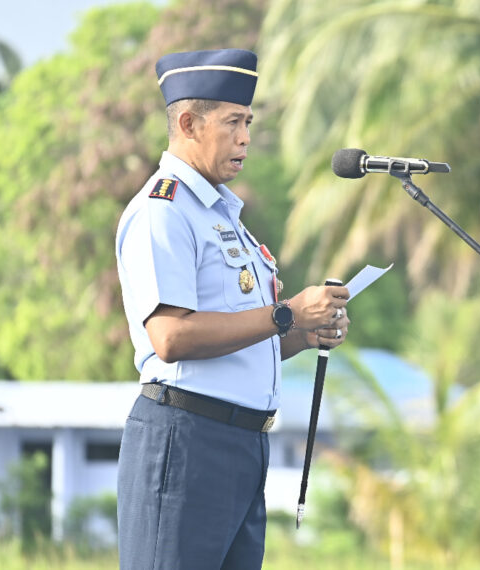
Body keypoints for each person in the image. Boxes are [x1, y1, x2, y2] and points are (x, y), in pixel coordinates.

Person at [114, 48, 351, 570]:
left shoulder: (224, 219)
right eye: (233, 122)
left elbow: (244, 342)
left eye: (248, 122)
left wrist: (306, 332)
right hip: (186, 440)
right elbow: (171, 337)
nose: (246, 137)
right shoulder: (165, 211)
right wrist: (286, 313)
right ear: (188, 123)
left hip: (241, 445)